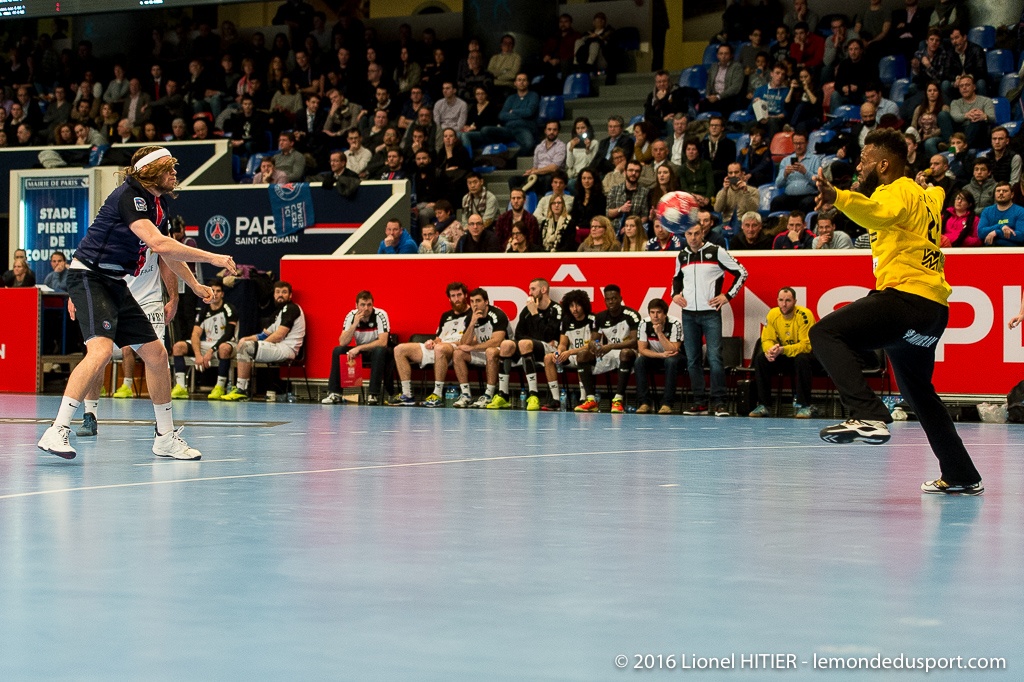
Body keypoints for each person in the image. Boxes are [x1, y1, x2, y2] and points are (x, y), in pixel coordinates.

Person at [812, 127, 983, 495]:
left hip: (905, 300)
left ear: (885, 164)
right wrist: (930, 183)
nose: (859, 165)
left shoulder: (894, 191)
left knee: (824, 332)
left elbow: (877, 214)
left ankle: (868, 414)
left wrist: (837, 196)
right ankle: (962, 474)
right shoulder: (924, 195)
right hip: (934, 311)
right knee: (920, 394)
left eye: (865, 159)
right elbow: (938, 194)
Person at [36, 146, 236, 461]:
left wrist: (195, 285)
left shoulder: (160, 206)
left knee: (157, 355)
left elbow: (168, 252)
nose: (175, 175)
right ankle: (57, 430)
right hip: (89, 277)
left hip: (115, 283)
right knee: (100, 351)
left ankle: (165, 438)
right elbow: (157, 242)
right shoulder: (129, 196)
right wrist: (212, 257)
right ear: (152, 172)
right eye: (170, 169)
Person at [671, 221, 748, 417]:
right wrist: (675, 294)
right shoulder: (682, 255)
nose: (693, 238)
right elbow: (677, 276)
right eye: (689, 234)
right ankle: (699, 402)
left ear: (703, 232)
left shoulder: (716, 251)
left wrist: (727, 296)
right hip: (688, 314)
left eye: (697, 233)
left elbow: (742, 272)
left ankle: (719, 402)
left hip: (710, 313)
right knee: (692, 360)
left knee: (714, 358)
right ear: (684, 235)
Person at [385, 282, 471, 407]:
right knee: (399, 349)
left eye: (459, 295)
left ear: (465, 295)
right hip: (440, 347)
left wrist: (442, 344)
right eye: (453, 296)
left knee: (440, 348)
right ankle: (407, 394)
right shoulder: (446, 316)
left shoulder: (472, 315)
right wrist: (432, 342)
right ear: (449, 298)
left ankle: (437, 394)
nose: (456, 299)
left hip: (458, 348)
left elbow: (469, 340)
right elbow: (439, 338)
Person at [221, 281, 306, 401]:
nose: (280, 295)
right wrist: (245, 339)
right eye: (277, 292)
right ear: (274, 295)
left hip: (287, 349)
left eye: (284, 292)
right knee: (243, 344)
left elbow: (279, 335)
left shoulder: (292, 308)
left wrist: (258, 344)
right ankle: (238, 387)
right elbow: (263, 335)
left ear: (290, 295)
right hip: (278, 347)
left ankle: (242, 389)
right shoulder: (278, 314)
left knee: (245, 348)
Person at [488, 278, 562, 409]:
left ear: (543, 290)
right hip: (527, 348)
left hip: (548, 347)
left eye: (533, 289)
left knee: (525, 344)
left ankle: (533, 395)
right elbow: (518, 334)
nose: (530, 292)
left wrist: (535, 313)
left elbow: (549, 335)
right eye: (529, 289)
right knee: (506, 344)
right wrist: (529, 338)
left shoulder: (556, 309)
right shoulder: (526, 310)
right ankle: (503, 395)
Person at [748, 288, 819, 418]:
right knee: (761, 359)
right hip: (784, 356)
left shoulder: (804, 315)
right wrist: (770, 350)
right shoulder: (773, 314)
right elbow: (767, 339)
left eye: (788, 301)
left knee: (801, 358)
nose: (784, 304)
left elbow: (806, 346)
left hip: (808, 359)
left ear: (795, 301)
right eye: (781, 300)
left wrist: (783, 349)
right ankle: (764, 405)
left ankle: (804, 405)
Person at [170, 278, 237, 401]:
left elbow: (228, 334)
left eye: (218, 291)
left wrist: (211, 351)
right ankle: (180, 387)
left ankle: (219, 387)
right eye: (212, 291)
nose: (215, 294)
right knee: (178, 347)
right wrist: (198, 355)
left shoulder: (229, 308)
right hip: (209, 343)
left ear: (222, 294)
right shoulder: (203, 311)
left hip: (227, 344)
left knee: (224, 348)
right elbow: (195, 335)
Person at [322, 290, 392, 405]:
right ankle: (335, 393)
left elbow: (383, 342)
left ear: (373, 305)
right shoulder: (351, 316)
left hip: (379, 352)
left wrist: (359, 348)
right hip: (361, 351)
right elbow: (342, 342)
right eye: (362, 305)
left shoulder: (380, 315)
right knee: (338, 350)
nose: (366, 308)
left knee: (379, 351)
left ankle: (373, 394)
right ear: (356, 305)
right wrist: (354, 324)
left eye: (369, 305)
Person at [451, 287, 510, 408]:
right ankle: (466, 395)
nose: (474, 305)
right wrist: (472, 323)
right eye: (472, 301)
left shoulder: (497, 314)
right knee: (458, 353)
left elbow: (497, 341)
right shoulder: (471, 317)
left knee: (490, 351)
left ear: (486, 302)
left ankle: (488, 395)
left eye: (478, 301)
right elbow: (464, 343)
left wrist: (473, 348)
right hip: (483, 351)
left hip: (504, 353)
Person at [591, 284, 641, 413]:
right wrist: (596, 346)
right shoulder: (600, 317)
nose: (611, 301)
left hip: (630, 352)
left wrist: (611, 346)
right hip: (609, 350)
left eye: (614, 298)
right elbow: (595, 339)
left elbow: (634, 342)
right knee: (583, 355)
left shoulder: (632, 315)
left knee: (624, 353)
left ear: (620, 298)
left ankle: (618, 400)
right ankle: (590, 400)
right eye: (608, 299)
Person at [633, 298, 683, 414]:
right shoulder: (644, 323)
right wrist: (660, 355)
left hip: (677, 357)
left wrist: (659, 333)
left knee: (670, 361)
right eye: (652, 312)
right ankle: (644, 403)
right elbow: (642, 349)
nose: (655, 316)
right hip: (657, 356)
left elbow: (673, 349)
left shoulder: (675, 323)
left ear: (665, 314)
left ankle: (667, 404)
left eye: (659, 312)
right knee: (639, 361)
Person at [977, 182, 1024, 246]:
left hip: (1011, 251)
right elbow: (980, 233)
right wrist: (1000, 226)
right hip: (989, 250)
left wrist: (997, 232)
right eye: (998, 191)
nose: (1001, 193)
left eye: (1005, 191)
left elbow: (1021, 236)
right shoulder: (987, 211)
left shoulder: (1020, 211)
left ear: (1012, 195)